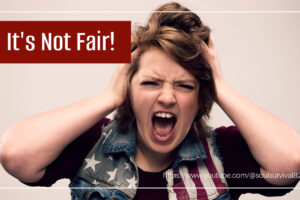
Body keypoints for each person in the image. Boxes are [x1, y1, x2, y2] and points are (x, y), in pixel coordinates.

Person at [0, 2, 299, 200]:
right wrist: (109, 97)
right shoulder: (92, 144)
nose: (167, 97)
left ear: (200, 98)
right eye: (151, 83)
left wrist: (219, 85)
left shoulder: (222, 156)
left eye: (184, 86)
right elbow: (15, 153)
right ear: (130, 90)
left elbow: (290, 162)